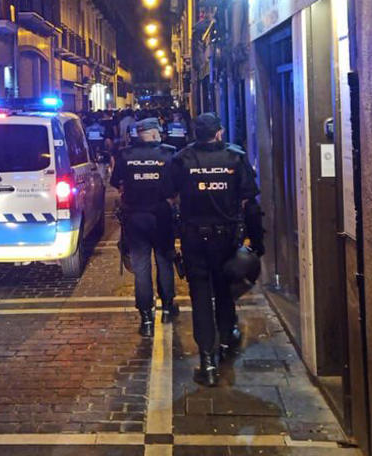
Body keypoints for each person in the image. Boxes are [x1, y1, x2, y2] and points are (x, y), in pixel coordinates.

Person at [171, 113, 261, 386]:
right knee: (223, 291)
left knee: (200, 297)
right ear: (219, 132)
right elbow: (250, 202)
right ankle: (224, 342)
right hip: (226, 238)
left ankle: (207, 362)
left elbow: (169, 195)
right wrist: (256, 243)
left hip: (194, 239)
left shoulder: (182, 159)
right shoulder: (235, 157)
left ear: (195, 134)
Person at [111, 117, 179, 337]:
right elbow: (176, 186)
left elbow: (117, 183)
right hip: (161, 215)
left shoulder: (125, 155)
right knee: (164, 261)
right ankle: (168, 307)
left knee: (141, 269)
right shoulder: (168, 154)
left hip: (135, 217)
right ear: (150, 133)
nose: (160, 135)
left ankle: (146, 318)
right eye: (157, 132)